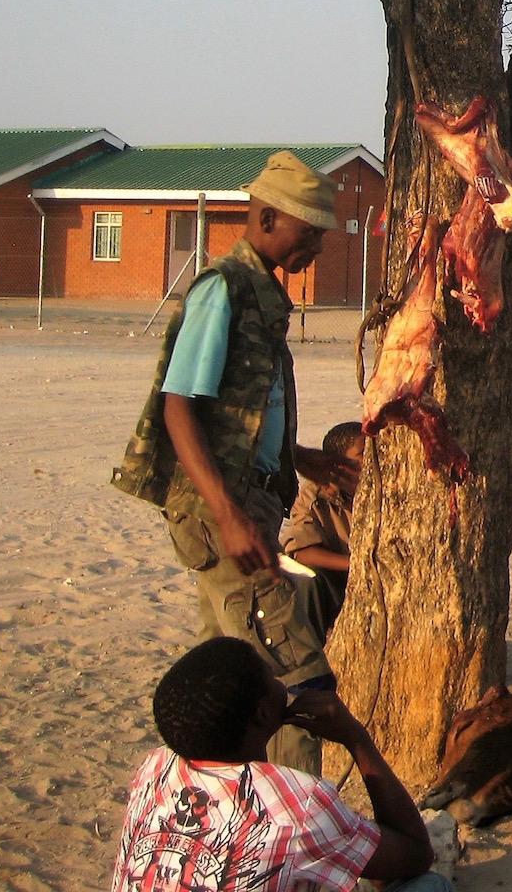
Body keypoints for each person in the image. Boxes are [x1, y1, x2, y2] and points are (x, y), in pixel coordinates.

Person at [111, 151, 351, 773]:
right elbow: (179, 407)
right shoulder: (223, 290)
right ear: (269, 218)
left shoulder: (261, 294)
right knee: (299, 683)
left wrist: (299, 456)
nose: (319, 247)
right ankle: (299, 838)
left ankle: (230, 820)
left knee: (231, 676)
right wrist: (230, 515)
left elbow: (241, 413)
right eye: (310, 231)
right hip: (225, 512)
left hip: (249, 501)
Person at [111, 637, 443, 892]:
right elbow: (415, 854)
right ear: (264, 713)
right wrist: (357, 739)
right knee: (430, 886)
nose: (281, 685)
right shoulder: (298, 804)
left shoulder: (155, 768)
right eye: (273, 680)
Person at [280, 421, 365, 634]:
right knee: (310, 582)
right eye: (362, 454)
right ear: (337, 464)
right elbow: (301, 552)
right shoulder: (315, 498)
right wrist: (358, 565)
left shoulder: (395, 483)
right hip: (345, 577)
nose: (372, 460)